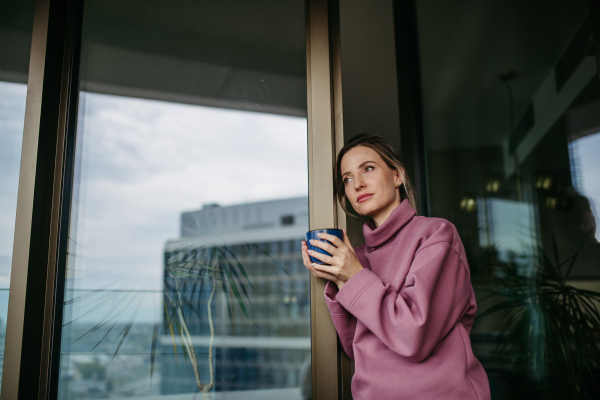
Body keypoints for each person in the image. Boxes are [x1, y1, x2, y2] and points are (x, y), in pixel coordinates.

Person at [301, 134, 491, 400]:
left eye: (368, 168)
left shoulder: (436, 234)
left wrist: (353, 276)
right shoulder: (355, 258)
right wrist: (339, 279)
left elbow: (414, 336)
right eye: (347, 178)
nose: (358, 184)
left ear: (397, 176)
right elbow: (357, 348)